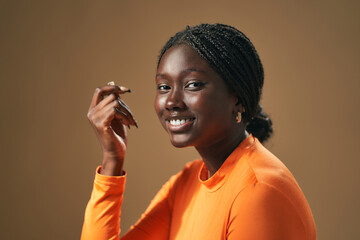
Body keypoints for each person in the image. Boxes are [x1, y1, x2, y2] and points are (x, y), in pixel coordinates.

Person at [81, 23, 317, 240]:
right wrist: (112, 162)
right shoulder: (186, 183)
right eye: (164, 86)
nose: (172, 101)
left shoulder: (259, 192)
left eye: (193, 84)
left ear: (236, 98)